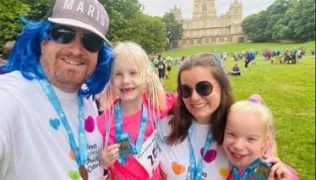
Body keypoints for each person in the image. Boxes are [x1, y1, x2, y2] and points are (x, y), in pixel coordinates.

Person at [0, 0, 113, 179]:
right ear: (44, 42)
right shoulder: (11, 97)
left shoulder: (87, 98)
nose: (76, 50)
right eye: (63, 34)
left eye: (90, 41)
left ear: (99, 54)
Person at [97, 41, 176, 180]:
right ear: (111, 79)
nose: (125, 80)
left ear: (146, 77)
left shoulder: (158, 106)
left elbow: (188, 102)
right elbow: (92, 164)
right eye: (118, 74)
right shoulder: (104, 123)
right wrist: (102, 161)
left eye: (133, 73)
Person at [158, 53, 234, 180]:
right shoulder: (163, 122)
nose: (194, 97)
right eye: (186, 90)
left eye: (203, 87)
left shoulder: (239, 130)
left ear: (222, 86)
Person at [223, 94, 299, 180]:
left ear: (266, 141)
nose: (238, 146)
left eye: (251, 139)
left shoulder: (276, 175)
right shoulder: (217, 164)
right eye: (231, 134)